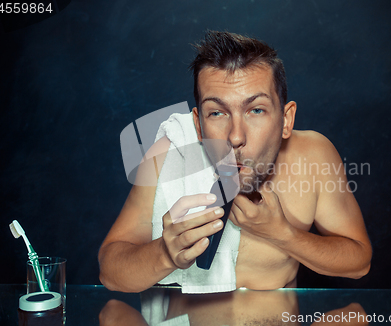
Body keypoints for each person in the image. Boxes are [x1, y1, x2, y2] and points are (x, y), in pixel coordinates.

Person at [98, 31, 372, 293]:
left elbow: (359, 262)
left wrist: (283, 234)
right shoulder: (170, 155)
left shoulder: (314, 154)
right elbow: (110, 271)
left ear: (286, 120)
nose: (236, 137)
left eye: (256, 110)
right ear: (198, 124)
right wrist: (165, 254)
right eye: (217, 113)